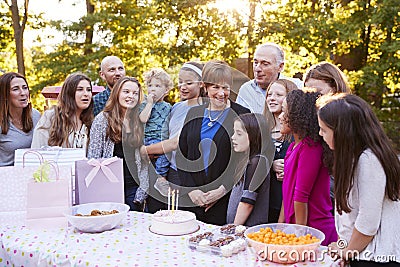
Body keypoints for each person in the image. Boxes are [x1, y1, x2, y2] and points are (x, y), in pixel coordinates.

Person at [317, 93, 400, 267]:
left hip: (376, 258)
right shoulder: (353, 158)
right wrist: (342, 247)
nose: (320, 134)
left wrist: (347, 252)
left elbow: (368, 222)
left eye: (324, 130)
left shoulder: (369, 160)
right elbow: (348, 219)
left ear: (343, 132)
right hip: (362, 253)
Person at [176, 60, 250, 225]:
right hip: (192, 199)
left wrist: (221, 190)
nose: (221, 93)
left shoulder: (242, 114)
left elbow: (243, 159)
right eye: (215, 87)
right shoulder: (193, 113)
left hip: (225, 199)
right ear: (205, 86)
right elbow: (182, 156)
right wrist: (192, 191)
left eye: (225, 87)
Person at [141, 62, 205, 210]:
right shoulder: (176, 107)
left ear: (201, 84)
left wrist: (144, 150)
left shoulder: (202, 109)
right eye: (180, 82)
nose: (183, 86)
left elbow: (176, 143)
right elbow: (164, 135)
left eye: (189, 83)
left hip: (184, 174)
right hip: (166, 168)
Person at [277, 89, 337, 246]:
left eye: (284, 112)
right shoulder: (292, 147)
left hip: (315, 232)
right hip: (296, 228)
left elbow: (301, 196)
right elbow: (287, 192)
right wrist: (280, 226)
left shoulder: (310, 148)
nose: (280, 116)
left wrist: (300, 236)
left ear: (298, 117)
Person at [87, 76, 149, 211]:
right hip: (110, 186)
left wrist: (142, 190)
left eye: (135, 93)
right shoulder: (103, 120)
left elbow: (143, 162)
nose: (131, 96)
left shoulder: (138, 120)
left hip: (133, 187)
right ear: (117, 93)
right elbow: (93, 157)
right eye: (126, 92)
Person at [304, 61, 351, 213]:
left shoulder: (350, 123)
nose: (313, 100)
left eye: (318, 93)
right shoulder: (310, 125)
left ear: (335, 88)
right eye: (308, 94)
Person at [227, 113, 273, 226]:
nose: (233, 137)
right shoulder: (247, 160)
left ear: (253, 136)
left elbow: (247, 202)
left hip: (248, 231)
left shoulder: (258, 162)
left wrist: (233, 229)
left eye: (239, 134)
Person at [263, 79, 298, 223]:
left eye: (278, 94)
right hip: (265, 202)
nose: (272, 98)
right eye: (269, 94)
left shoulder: (297, 133)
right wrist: (270, 165)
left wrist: (289, 169)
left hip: (289, 202)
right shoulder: (261, 129)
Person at [31, 73, 93, 150]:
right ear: (69, 93)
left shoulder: (90, 122)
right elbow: (37, 149)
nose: (86, 94)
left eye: (89, 90)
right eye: (80, 89)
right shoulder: (51, 116)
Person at [236, 42, 302, 114]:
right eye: (255, 62)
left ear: (280, 67)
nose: (257, 69)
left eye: (265, 64)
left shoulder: (297, 87)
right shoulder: (246, 90)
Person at [139, 68, 173, 195]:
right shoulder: (144, 104)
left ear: (166, 90)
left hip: (161, 139)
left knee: (166, 156)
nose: (152, 89)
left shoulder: (169, 107)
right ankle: (158, 180)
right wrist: (149, 104)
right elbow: (143, 119)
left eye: (157, 86)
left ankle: (160, 177)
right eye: (150, 85)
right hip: (147, 139)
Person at [0, 72, 41, 166]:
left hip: (33, 173)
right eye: (15, 89)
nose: (23, 93)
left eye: (25, 88)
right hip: (5, 176)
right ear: (4, 95)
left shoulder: (35, 116)